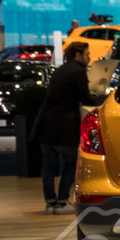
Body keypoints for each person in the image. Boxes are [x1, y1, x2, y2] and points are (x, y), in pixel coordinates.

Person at [33, 42, 90, 213]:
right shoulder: (78, 71)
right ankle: (63, 201)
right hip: (64, 126)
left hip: (45, 124)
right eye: (87, 54)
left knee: (48, 164)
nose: (89, 58)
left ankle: (50, 203)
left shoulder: (60, 70)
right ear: (78, 55)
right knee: (72, 162)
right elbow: (85, 98)